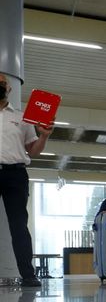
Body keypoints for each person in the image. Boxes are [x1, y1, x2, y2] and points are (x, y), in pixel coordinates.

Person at [0, 73, 53, 287]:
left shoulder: (23, 118)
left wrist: (44, 136)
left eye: (3, 83)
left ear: (9, 89)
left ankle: (28, 275)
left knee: (19, 226)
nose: (0, 85)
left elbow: (33, 150)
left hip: (16, 174)